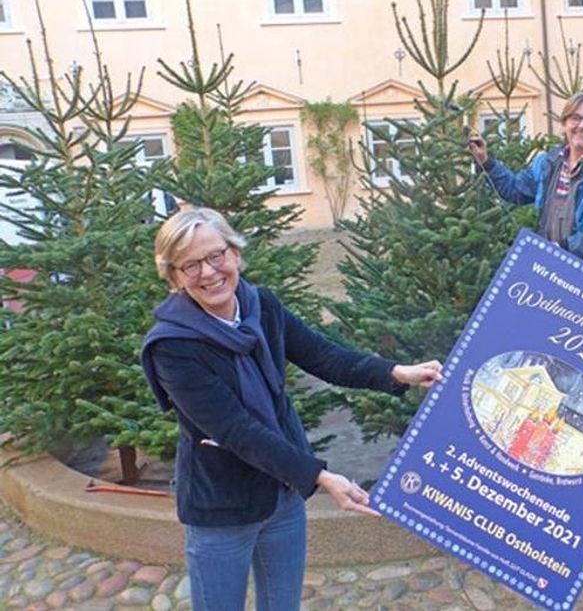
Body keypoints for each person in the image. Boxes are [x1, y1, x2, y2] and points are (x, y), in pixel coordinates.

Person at [141, 207, 442, 611]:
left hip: (281, 497)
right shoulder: (172, 346)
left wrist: (396, 372)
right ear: (174, 277)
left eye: (216, 255)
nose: (209, 272)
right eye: (190, 265)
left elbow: (324, 357)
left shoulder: (260, 306)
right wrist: (319, 475)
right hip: (222, 508)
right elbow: (236, 430)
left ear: (235, 253)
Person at [468, 91, 583, 282]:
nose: (582, 125)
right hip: (556, 269)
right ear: (564, 124)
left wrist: (565, 247)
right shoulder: (548, 163)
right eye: (575, 118)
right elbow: (515, 190)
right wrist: (486, 161)